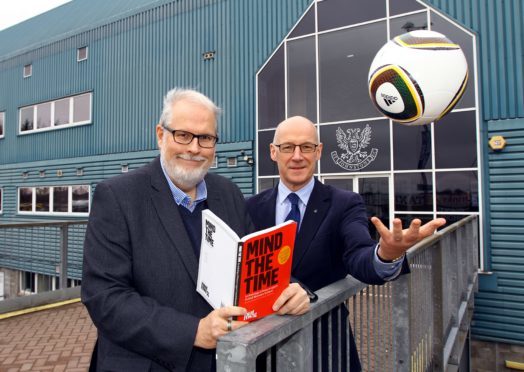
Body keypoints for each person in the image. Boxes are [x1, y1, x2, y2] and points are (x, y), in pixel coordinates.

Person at [81, 88, 307, 372]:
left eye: (206, 138)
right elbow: (104, 297)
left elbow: (254, 264)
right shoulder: (117, 196)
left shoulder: (229, 193)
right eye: (183, 135)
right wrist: (193, 331)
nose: (194, 148)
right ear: (161, 135)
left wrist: (291, 290)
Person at [246, 116, 446, 371]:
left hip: (326, 347)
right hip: (264, 349)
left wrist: (387, 254)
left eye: (306, 147)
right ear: (273, 152)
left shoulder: (344, 204)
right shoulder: (250, 207)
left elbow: (359, 254)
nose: (297, 156)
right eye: (288, 147)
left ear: (318, 152)